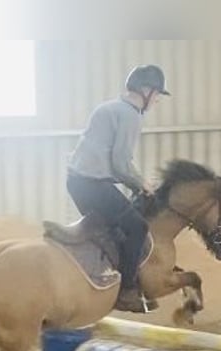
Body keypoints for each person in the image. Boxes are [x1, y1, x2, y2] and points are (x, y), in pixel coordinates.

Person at [63, 64, 170, 313]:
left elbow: (113, 161)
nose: (156, 101)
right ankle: (127, 292)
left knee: (116, 228)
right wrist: (142, 183)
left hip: (78, 182)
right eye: (156, 95)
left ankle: (102, 278)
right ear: (145, 90)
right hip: (92, 185)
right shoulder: (130, 115)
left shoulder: (109, 108)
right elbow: (121, 163)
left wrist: (137, 180)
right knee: (139, 226)